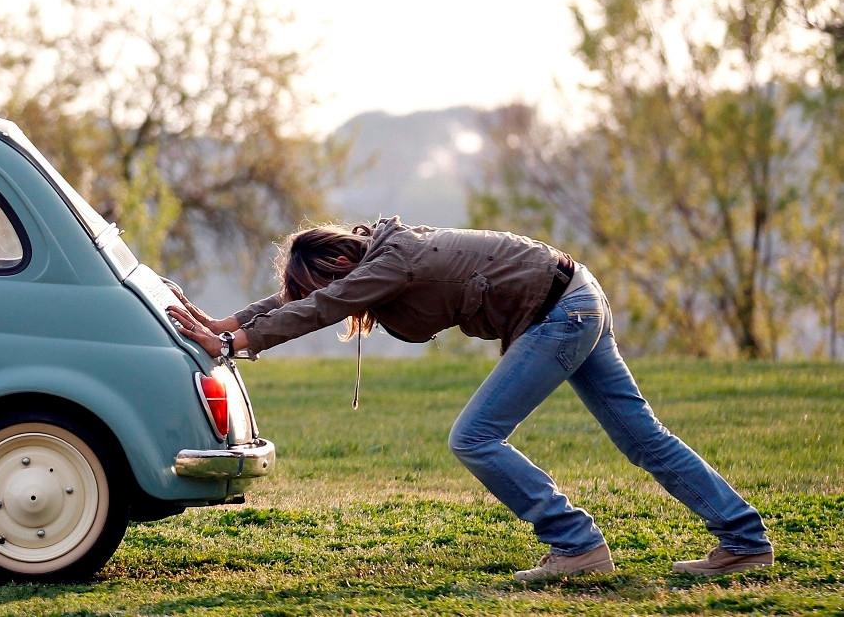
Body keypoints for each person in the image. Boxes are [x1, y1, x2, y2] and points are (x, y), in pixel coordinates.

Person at [166, 217, 773, 582]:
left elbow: (322, 305)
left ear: (340, 260)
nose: (331, 295)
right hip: (574, 298)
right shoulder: (379, 258)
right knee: (643, 438)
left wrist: (238, 341)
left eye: (324, 280)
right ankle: (745, 542)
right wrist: (226, 324)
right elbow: (306, 302)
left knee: (475, 437)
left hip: (561, 312)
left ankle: (576, 545)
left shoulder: (393, 260)